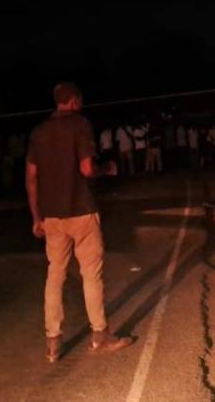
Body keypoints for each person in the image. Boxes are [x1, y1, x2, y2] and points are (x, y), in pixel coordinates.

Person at [25, 82, 133, 362]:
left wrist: (36, 217)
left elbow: (31, 177)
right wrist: (106, 168)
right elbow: (86, 168)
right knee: (91, 274)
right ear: (73, 101)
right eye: (80, 100)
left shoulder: (38, 132)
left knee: (55, 276)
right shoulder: (79, 124)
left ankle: (52, 342)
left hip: (51, 216)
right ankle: (100, 335)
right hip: (81, 211)